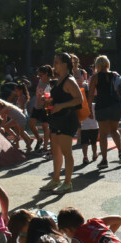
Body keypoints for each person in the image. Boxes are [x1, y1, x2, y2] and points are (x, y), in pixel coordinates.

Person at [41, 53, 85, 193]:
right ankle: (55, 179)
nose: (54, 65)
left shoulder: (69, 80)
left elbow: (79, 99)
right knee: (56, 152)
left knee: (66, 152)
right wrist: (48, 101)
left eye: (57, 62)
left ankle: (67, 183)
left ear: (65, 64)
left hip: (67, 120)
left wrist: (61, 106)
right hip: (56, 120)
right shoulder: (59, 80)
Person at [89, 56, 121, 167]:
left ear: (97, 65)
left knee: (103, 134)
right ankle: (120, 151)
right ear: (107, 64)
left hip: (102, 106)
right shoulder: (115, 75)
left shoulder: (95, 77)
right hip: (115, 105)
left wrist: (89, 109)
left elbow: (91, 94)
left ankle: (104, 160)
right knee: (114, 130)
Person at [28, 65, 53, 153]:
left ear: (46, 74)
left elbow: (50, 98)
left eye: (41, 75)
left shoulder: (50, 83)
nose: (39, 77)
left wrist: (46, 99)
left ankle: (45, 148)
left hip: (46, 107)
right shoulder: (40, 81)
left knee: (45, 126)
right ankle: (39, 139)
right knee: (31, 124)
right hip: (37, 106)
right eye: (38, 75)